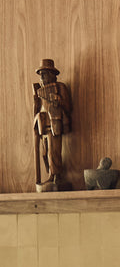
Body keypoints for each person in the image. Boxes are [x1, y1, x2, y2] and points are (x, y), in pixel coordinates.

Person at [33, 59, 72, 191]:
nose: (42, 77)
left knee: (53, 152)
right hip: (43, 124)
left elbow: (68, 106)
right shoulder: (40, 91)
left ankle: (55, 176)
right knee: (44, 153)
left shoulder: (60, 87)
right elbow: (37, 108)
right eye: (41, 74)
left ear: (53, 75)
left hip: (55, 122)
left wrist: (58, 100)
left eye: (45, 74)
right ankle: (50, 173)